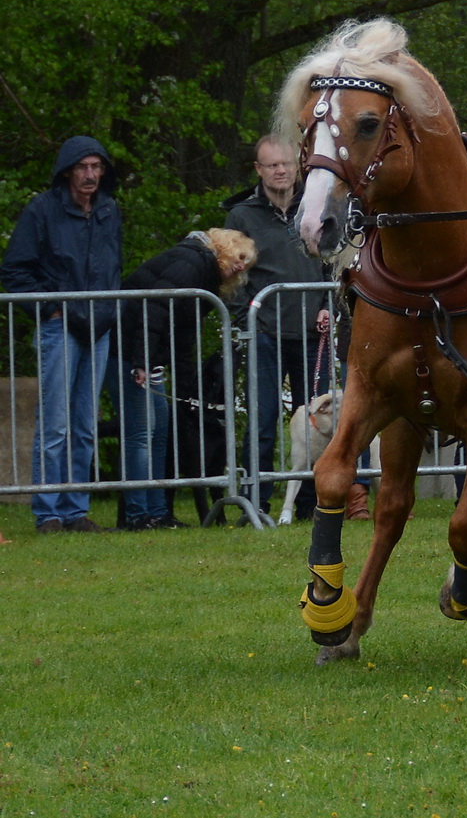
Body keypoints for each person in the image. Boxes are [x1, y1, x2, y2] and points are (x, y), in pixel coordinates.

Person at [1, 136, 123, 534]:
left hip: (98, 327)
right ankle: (48, 513)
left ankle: (75, 510)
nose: (90, 174)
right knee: (54, 425)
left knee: (85, 424)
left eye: (96, 167)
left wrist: (109, 312)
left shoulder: (108, 209)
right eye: (83, 167)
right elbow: (15, 272)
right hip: (59, 327)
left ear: (103, 171)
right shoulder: (42, 210)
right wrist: (54, 308)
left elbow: (113, 267)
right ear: (68, 170)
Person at [223, 136, 340, 516]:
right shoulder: (242, 215)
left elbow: (334, 263)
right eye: (272, 165)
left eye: (287, 163)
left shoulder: (317, 206)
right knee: (262, 422)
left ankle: (310, 506)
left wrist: (329, 306)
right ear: (258, 170)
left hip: (312, 335)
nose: (281, 170)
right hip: (265, 335)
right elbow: (231, 274)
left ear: (298, 165)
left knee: (320, 428)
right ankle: (255, 505)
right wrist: (248, 321)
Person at [115, 229, 256, 529]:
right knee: (142, 434)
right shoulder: (191, 263)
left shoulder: (204, 275)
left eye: (248, 262)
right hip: (130, 350)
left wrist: (188, 387)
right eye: (240, 256)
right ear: (225, 248)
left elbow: (183, 335)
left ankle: (156, 512)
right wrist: (141, 361)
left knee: (158, 433)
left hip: (147, 352)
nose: (242, 265)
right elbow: (153, 309)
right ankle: (138, 514)